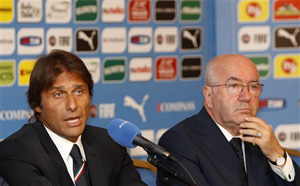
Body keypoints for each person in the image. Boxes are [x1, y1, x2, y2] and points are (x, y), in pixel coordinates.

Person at [0, 50, 146, 186]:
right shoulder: (17, 151)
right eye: (58, 94)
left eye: (79, 92)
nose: (72, 105)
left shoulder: (109, 144)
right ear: (37, 104)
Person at [157, 54, 300, 186]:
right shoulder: (179, 142)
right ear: (208, 96)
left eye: (252, 86)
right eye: (234, 86)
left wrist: (276, 154)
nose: (246, 96)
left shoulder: (261, 141)